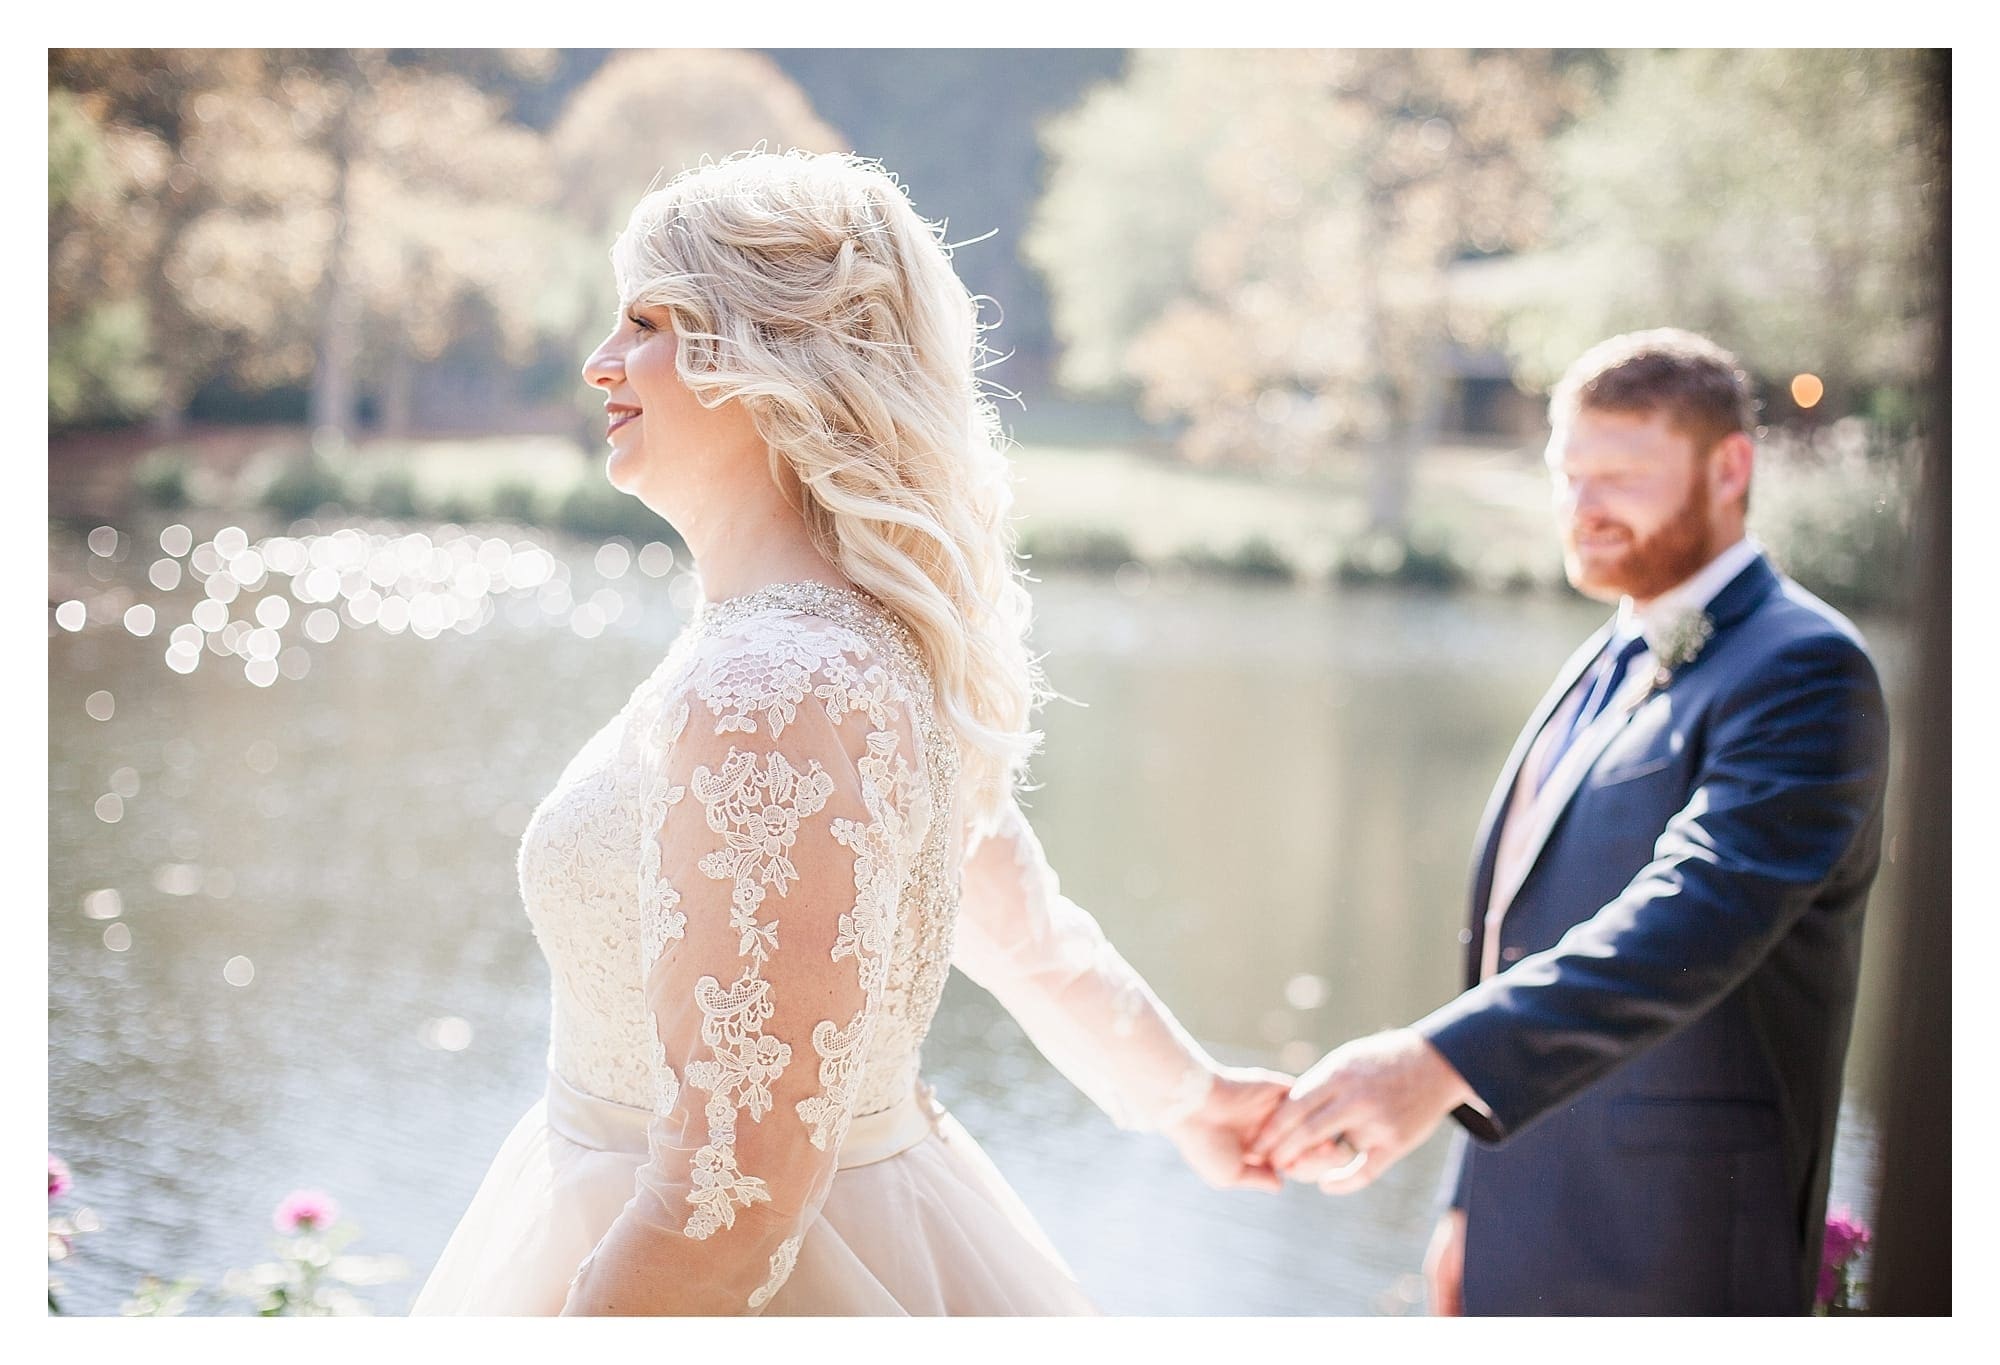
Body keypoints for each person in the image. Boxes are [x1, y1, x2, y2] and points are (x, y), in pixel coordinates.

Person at [409, 150, 1289, 1316]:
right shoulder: (852, 650)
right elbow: (1019, 930)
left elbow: (736, 1196)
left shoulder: (772, 688)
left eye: (647, 321)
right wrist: (1187, 1095)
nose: (599, 361)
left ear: (767, 356)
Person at [1248, 329, 1890, 1315]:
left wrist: (1434, 1061)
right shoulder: (1607, 650)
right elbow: (1520, 942)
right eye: (1565, 475)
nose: (1580, 508)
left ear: (1729, 468)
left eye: (1620, 476)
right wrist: (1469, 1197)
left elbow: (1696, 912)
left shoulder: (1802, 669)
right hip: (1524, 1212)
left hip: (1673, 1249)